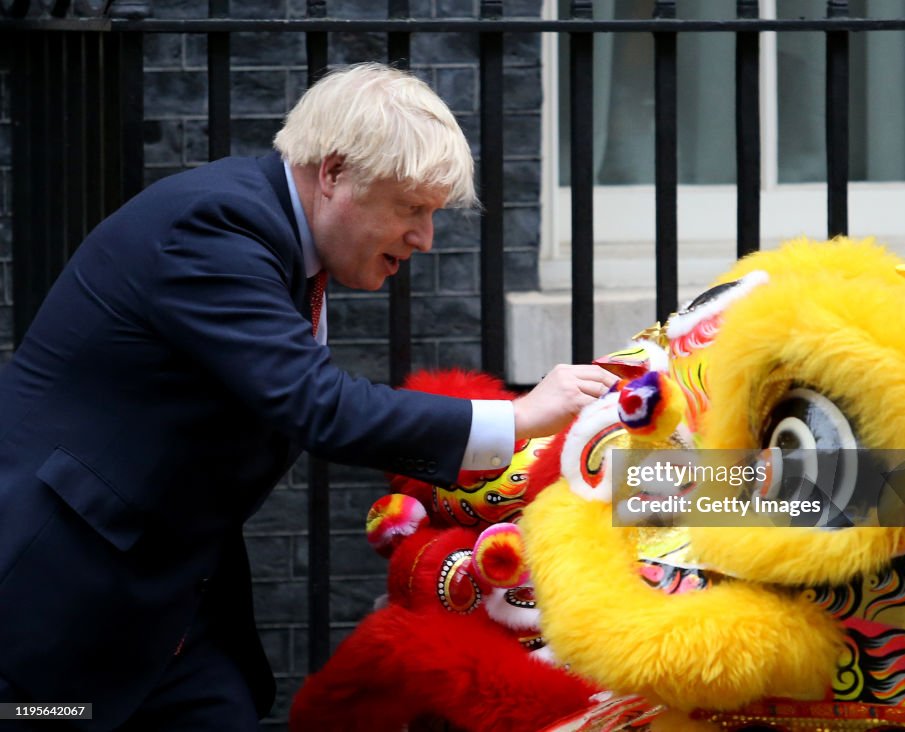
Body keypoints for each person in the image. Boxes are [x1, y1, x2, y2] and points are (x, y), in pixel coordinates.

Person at [0, 62, 617, 731]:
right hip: (59, 603)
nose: (424, 238)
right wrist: (520, 416)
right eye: (410, 209)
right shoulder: (214, 227)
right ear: (334, 172)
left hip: (169, 608)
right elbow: (315, 403)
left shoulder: (272, 239)